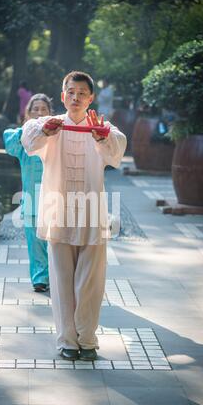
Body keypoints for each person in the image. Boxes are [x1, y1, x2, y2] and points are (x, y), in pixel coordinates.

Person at [21, 71, 127, 361]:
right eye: (71, 92)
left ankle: (88, 339)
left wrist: (102, 137)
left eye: (82, 93)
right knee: (61, 279)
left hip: (92, 215)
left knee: (90, 282)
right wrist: (44, 131)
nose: (76, 97)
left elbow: (117, 148)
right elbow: (28, 140)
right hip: (59, 214)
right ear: (62, 95)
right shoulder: (49, 126)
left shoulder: (102, 127)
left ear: (91, 98)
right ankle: (67, 340)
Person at [3, 94, 50, 293]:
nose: (39, 113)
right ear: (27, 114)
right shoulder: (22, 139)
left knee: (56, 242)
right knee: (35, 241)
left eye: (43, 110)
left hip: (55, 197)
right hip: (31, 198)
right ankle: (40, 278)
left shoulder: (56, 137)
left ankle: (58, 276)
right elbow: (9, 144)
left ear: (50, 114)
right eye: (35, 110)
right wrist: (30, 128)